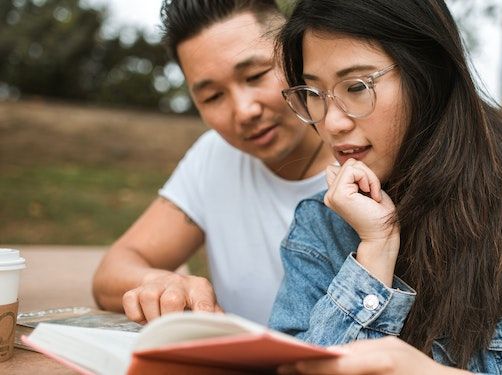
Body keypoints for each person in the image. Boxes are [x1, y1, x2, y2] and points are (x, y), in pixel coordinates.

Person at [268, 0, 502, 373]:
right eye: (313, 94)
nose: (332, 123)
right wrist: (375, 250)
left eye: (356, 87)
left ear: (428, 72)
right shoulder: (320, 225)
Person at [92, 0, 334, 326]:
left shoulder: (366, 156)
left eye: (255, 75)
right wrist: (159, 284)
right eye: (213, 97)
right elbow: (112, 272)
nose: (244, 111)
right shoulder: (215, 154)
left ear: (297, 54)